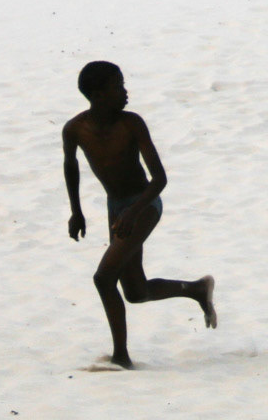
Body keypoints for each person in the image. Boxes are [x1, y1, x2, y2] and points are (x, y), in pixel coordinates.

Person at [62, 61, 216, 369]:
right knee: (135, 292)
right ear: (98, 95)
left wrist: (133, 212)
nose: (125, 91)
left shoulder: (132, 124)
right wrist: (76, 211)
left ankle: (121, 356)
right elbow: (71, 166)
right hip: (117, 207)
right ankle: (197, 289)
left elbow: (159, 179)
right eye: (118, 86)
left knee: (104, 278)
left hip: (145, 204)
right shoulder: (75, 129)